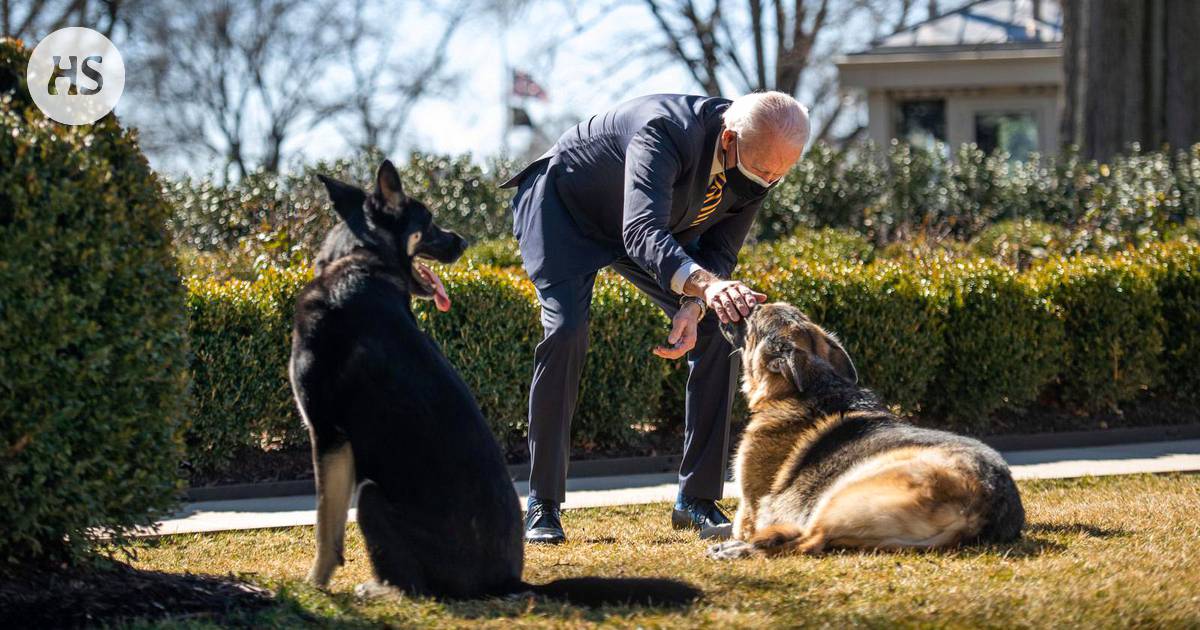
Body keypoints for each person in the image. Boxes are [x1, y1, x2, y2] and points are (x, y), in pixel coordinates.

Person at [500, 91, 809, 544]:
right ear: (727, 140)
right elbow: (641, 230)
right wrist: (705, 284)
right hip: (563, 209)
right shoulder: (664, 131)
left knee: (718, 332)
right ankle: (542, 504)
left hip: (644, 228)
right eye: (763, 172)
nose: (768, 181)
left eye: (780, 174)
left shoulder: (761, 157)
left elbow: (720, 249)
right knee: (566, 330)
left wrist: (695, 304)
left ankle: (695, 501)